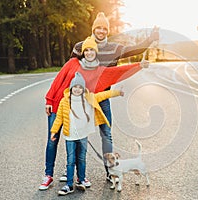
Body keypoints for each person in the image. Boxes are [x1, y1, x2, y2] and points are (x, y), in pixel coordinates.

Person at [39, 36, 149, 190]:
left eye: (92, 50)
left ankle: (79, 176)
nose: (89, 53)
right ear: (83, 52)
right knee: (52, 140)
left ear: (96, 53)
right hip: (58, 105)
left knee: (76, 143)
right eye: (87, 50)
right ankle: (48, 175)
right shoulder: (72, 63)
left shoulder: (97, 71)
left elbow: (117, 72)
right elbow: (58, 80)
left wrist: (139, 66)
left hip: (75, 113)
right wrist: (49, 100)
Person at [71, 12, 159, 181]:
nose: (101, 31)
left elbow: (134, 49)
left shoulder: (114, 48)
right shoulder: (80, 46)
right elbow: (70, 71)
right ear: (93, 29)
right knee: (79, 135)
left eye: (104, 28)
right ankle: (76, 174)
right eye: (98, 28)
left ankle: (110, 172)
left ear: (108, 31)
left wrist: (149, 40)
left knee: (106, 134)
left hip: (103, 98)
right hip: (83, 99)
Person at [50, 72, 124, 196]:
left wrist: (117, 92)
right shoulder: (65, 101)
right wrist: (54, 131)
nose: (77, 90)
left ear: (83, 89)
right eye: (75, 87)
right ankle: (69, 184)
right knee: (70, 160)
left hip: (83, 135)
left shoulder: (89, 98)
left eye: (80, 87)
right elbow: (59, 119)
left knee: (82, 159)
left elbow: (104, 94)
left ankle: (81, 179)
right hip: (70, 136)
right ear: (71, 88)